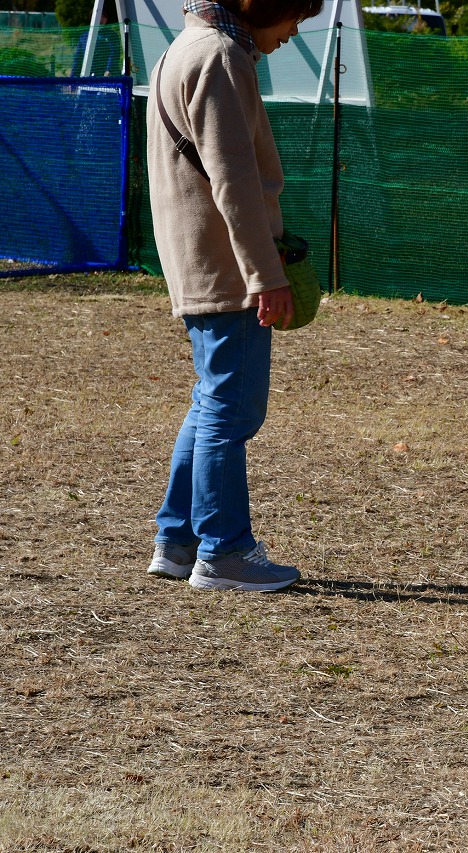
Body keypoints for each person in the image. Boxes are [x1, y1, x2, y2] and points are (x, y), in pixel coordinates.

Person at [145, 0, 322, 592]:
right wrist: (264, 273)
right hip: (227, 267)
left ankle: (177, 540)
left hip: (197, 260)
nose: (297, 29)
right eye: (295, 13)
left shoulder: (179, 48)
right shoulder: (222, 56)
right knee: (231, 411)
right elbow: (234, 180)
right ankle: (224, 552)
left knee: (210, 403)